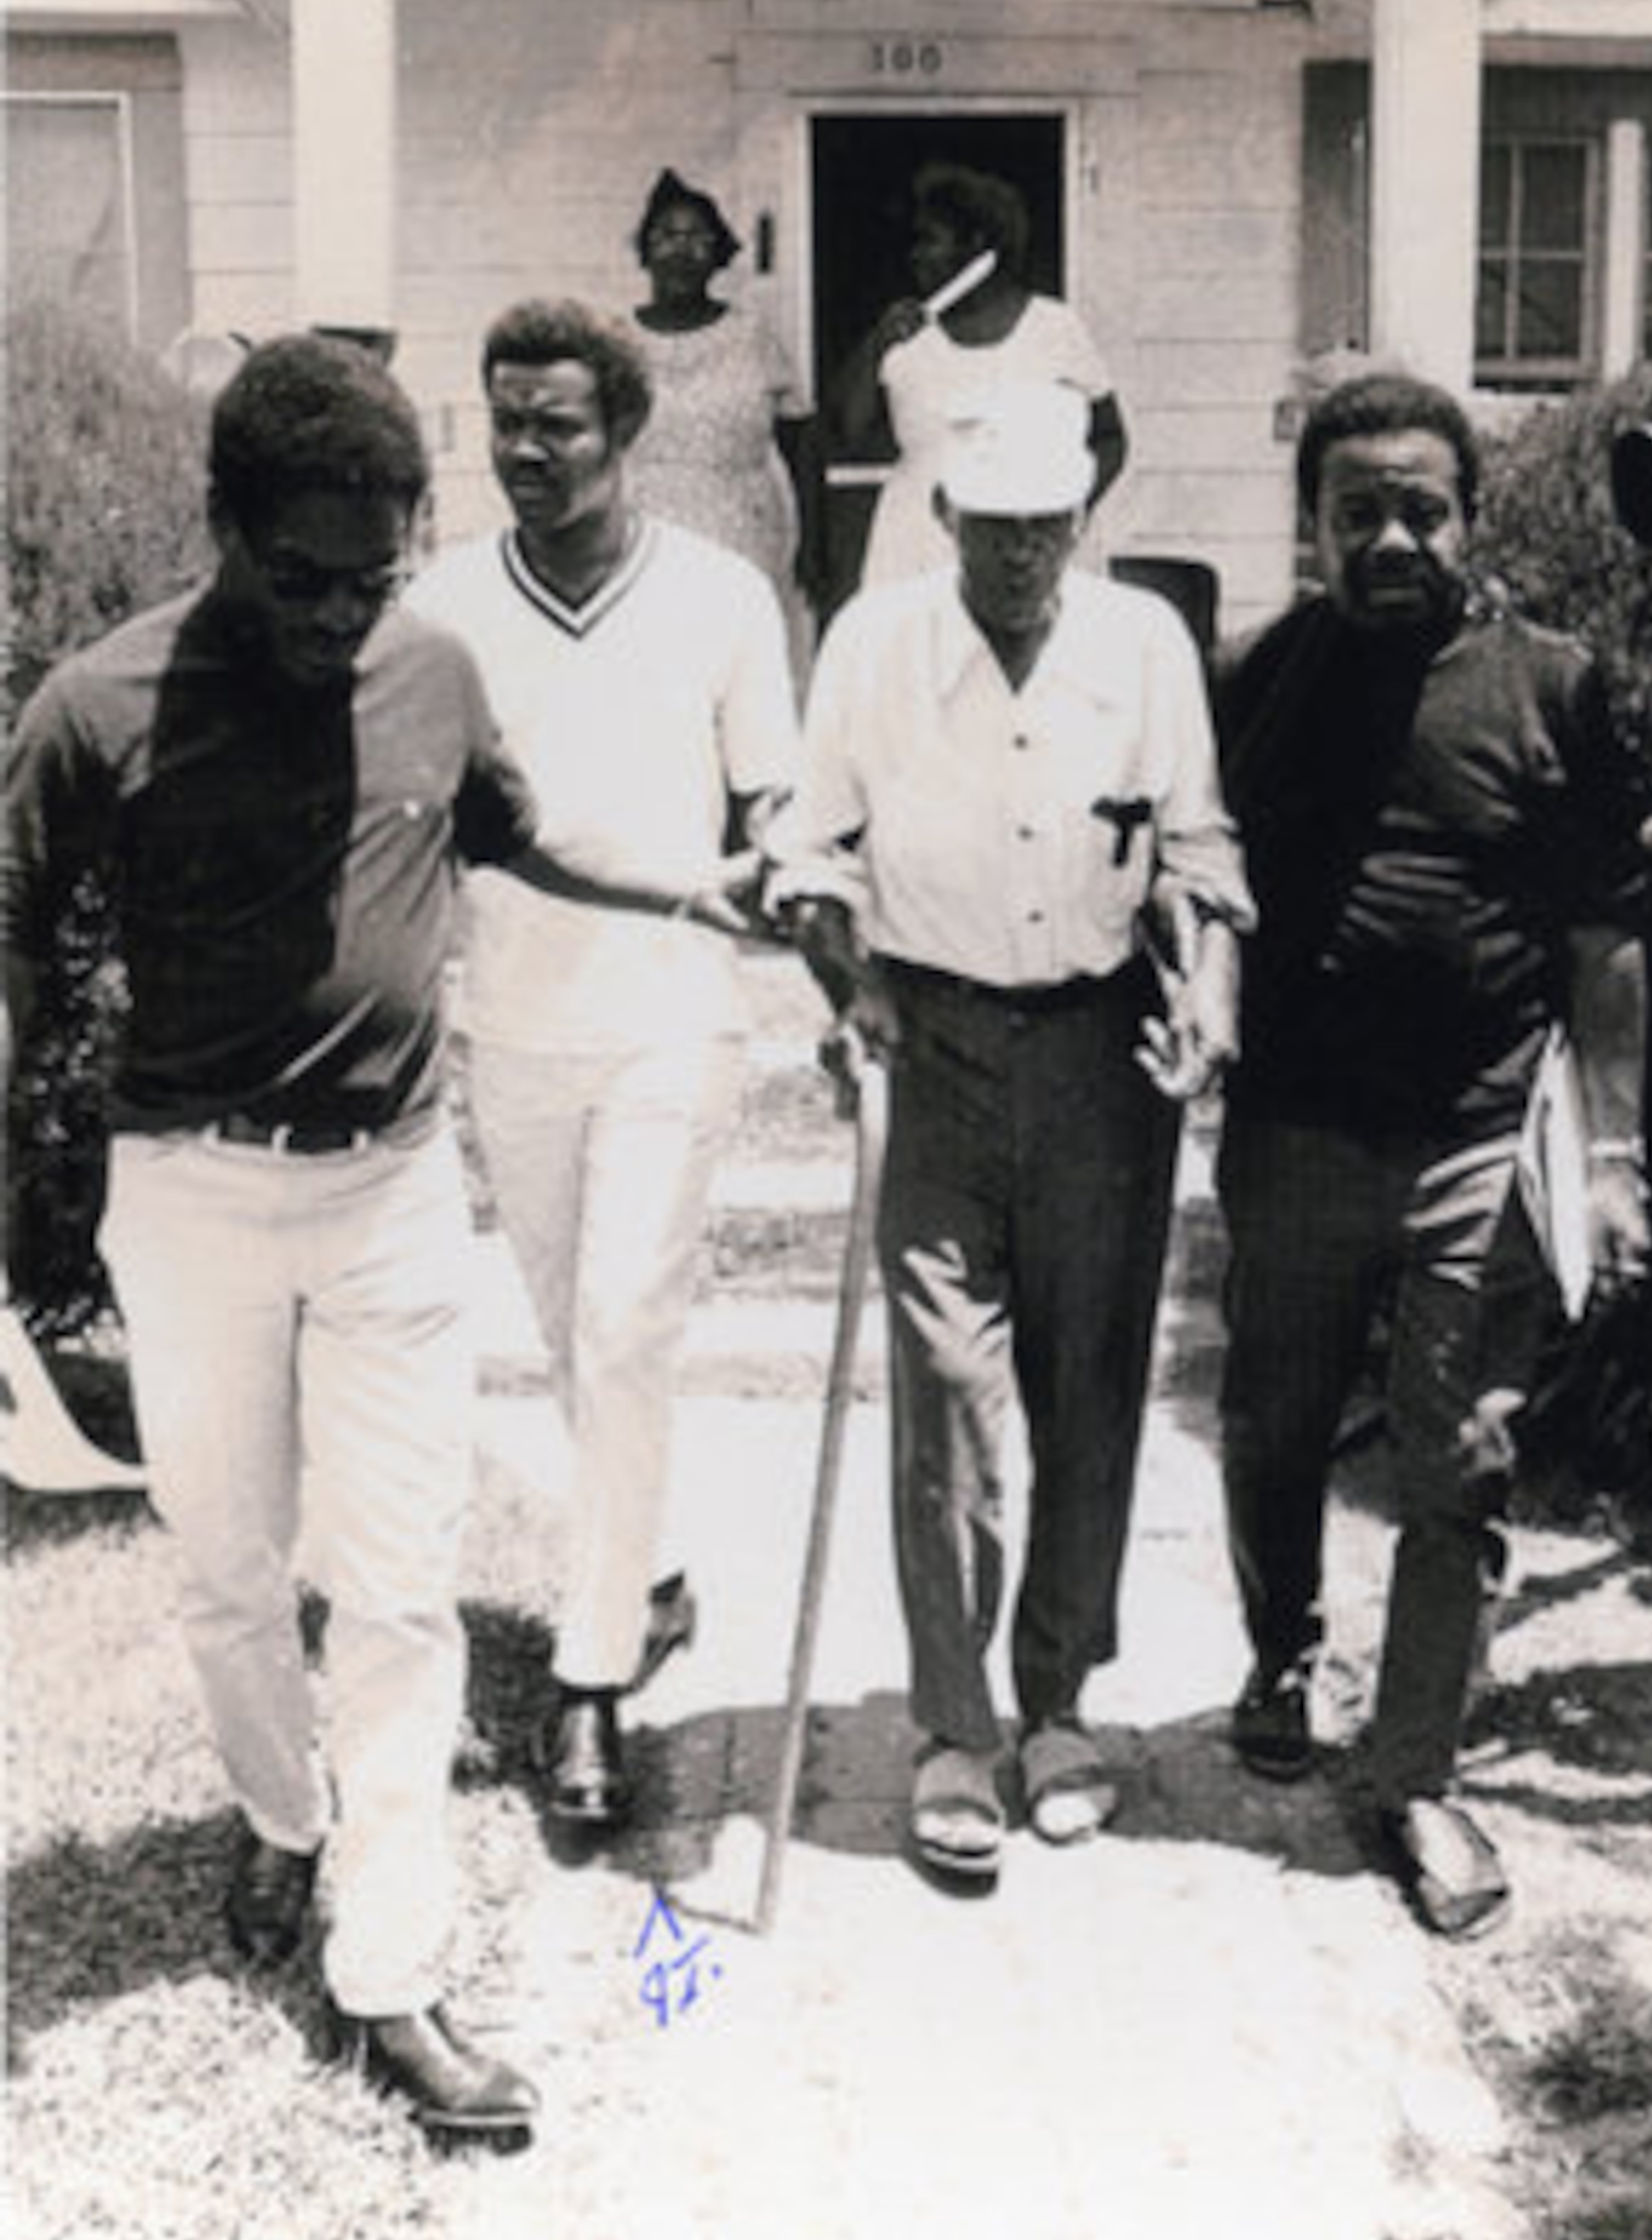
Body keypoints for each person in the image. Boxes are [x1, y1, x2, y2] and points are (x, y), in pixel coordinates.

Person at [0, 335, 549, 2140]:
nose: (337, 615)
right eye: (299, 575)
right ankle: (281, 1820)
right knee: (231, 1568)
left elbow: (525, 835)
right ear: (222, 525)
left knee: (396, 1590)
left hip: (394, 1192)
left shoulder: (440, 668)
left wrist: (713, 884)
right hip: (191, 1194)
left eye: (371, 577)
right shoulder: (97, 704)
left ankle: (391, 1972)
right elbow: (15, 940)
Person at [768, 380, 1250, 1885]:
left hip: (1104, 1050)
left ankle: (1060, 1706)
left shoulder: (1143, 645)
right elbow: (810, 851)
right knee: (953, 1395)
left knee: (1092, 1378)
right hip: (941, 1046)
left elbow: (1196, 848)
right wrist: (846, 970)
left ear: (1083, 520)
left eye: (1051, 528)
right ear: (946, 519)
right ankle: (955, 1729)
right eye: (997, 531)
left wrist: (1212, 988)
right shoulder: (873, 644)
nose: (1025, 557)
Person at [1205, 368, 1649, 1939]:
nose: (1393, 538)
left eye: (1423, 509)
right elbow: (1198, 890)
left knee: (1455, 1459)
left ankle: (1416, 1775)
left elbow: (1603, 940)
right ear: (1313, 524)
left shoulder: (1557, 685)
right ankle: (1279, 1649)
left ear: (1468, 515)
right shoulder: (1249, 676)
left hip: (1476, 1136)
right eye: (1358, 513)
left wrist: (1614, 1157)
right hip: (1294, 1131)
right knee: (1269, 1426)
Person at [403, 298, 797, 1836]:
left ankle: (590, 1682)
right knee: (579, 1333)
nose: (526, 449)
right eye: (506, 420)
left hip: (672, 1018)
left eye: (557, 422)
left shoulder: (720, 595)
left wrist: (788, 885)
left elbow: (772, 801)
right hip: (514, 1022)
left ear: (624, 433)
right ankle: (646, 1571)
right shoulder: (441, 603)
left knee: (626, 1322)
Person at [834, 161, 1128, 590]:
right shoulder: (906, 336)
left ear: (979, 246)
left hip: (1032, 542)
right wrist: (876, 345)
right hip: (921, 540)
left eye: (928, 240)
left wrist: (1062, 517)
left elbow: (1111, 438)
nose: (914, 254)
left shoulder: (1055, 327)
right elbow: (849, 430)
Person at [626, 167, 827, 691]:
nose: (682, 250)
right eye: (667, 236)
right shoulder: (615, 341)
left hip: (742, 532)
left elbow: (802, 440)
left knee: (736, 679)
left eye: (698, 238)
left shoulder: (753, 336)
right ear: (644, 252)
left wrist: (814, 544)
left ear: (719, 254)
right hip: (643, 534)